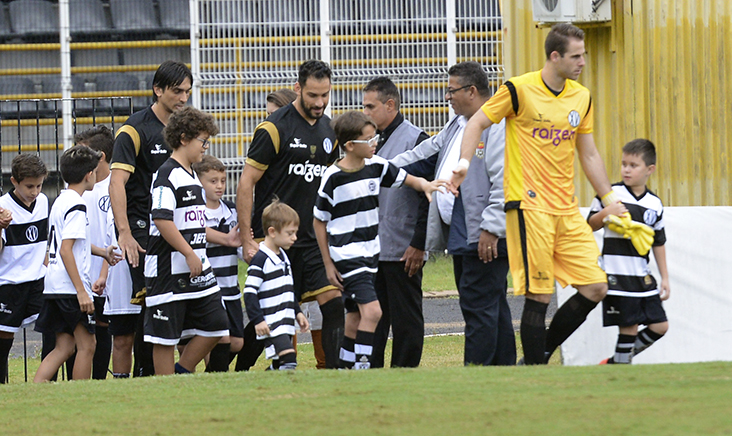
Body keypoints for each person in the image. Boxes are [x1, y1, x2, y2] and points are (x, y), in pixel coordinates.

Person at [451, 23, 617, 364]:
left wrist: (609, 197)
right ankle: (536, 372)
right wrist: (465, 162)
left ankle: (537, 357)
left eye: (583, 55)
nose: (582, 62)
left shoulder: (580, 97)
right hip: (528, 207)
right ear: (554, 56)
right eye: (576, 56)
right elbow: (477, 122)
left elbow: (588, 153)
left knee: (596, 287)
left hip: (567, 210)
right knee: (539, 295)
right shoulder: (519, 89)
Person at [390, 61, 516, 366]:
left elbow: (504, 180)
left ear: (471, 91)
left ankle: (476, 372)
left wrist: (491, 228)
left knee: (478, 306)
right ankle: (503, 369)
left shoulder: (497, 126)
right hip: (463, 230)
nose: (447, 96)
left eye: (451, 90)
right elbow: (423, 154)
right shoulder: (457, 124)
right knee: (491, 304)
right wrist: (376, 168)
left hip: (483, 232)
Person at [313, 111, 445, 369]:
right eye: (369, 139)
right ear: (350, 146)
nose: (375, 143)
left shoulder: (377, 167)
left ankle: (344, 367)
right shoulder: (333, 177)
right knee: (373, 312)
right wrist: (328, 264)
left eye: (375, 138)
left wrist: (426, 186)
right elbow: (319, 221)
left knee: (353, 316)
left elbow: (408, 178)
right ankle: (363, 368)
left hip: (370, 255)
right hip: (348, 257)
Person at [237, 60, 344, 369]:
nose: (320, 103)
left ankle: (336, 375)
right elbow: (246, 183)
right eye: (313, 95)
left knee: (334, 304)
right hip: (274, 242)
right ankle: (239, 369)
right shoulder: (274, 128)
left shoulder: (329, 131)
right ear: (298, 88)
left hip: (310, 240)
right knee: (275, 312)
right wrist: (247, 239)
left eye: (325, 95)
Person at [109, 60, 192, 377]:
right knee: (151, 301)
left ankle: (168, 372)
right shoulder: (134, 129)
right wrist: (125, 233)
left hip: (174, 228)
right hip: (143, 231)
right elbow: (117, 183)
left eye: (187, 91)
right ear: (158, 90)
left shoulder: (185, 128)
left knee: (174, 300)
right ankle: (149, 373)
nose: (183, 98)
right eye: (176, 91)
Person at [143, 106, 228, 376]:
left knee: (217, 325)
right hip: (168, 270)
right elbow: (162, 220)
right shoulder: (165, 175)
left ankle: (182, 371)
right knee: (165, 338)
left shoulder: (192, 174)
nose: (205, 147)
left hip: (196, 268)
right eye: (202, 141)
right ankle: (166, 389)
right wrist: (189, 252)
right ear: (183, 139)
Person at [34, 146, 121, 382]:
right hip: (71, 289)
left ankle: (36, 387)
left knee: (65, 346)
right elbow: (65, 250)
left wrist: (102, 252)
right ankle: (80, 393)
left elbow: (70, 242)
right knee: (88, 345)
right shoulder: (78, 205)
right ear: (88, 175)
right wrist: (82, 292)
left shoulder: (62, 200)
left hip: (54, 286)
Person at [361, 77, 430, 368]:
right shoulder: (369, 141)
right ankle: (373, 374)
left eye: (370, 106)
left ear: (390, 105)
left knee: (406, 322)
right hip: (374, 249)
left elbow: (429, 196)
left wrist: (419, 243)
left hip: (403, 250)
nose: (365, 112)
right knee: (373, 320)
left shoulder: (418, 141)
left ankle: (405, 374)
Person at [587, 139, 669, 364]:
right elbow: (589, 225)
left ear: (649, 169)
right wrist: (606, 213)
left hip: (642, 276)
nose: (627, 169)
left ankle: (616, 362)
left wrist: (665, 277)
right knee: (629, 328)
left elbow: (658, 242)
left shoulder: (655, 204)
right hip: (617, 276)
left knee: (660, 326)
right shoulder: (610, 194)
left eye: (634, 165)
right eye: (624, 164)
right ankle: (620, 371)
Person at [191, 155, 244, 372]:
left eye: (222, 180)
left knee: (237, 342)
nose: (220, 186)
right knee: (217, 337)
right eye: (213, 181)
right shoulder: (195, 212)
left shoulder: (231, 210)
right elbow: (193, 236)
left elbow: (239, 245)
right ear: (198, 182)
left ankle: (212, 373)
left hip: (231, 286)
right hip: (208, 288)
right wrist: (223, 238)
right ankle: (215, 377)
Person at [243, 199, 309, 370]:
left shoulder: (284, 257)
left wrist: (298, 313)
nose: (294, 238)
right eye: (290, 233)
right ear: (272, 232)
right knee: (290, 360)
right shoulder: (261, 259)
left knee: (280, 364)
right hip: (272, 323)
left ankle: (266, 381)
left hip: (285, 322)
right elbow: (249, 292)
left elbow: (288, 290)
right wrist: (258, 320)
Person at [0, 154, 48, 383]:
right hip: (10, 282)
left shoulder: (44, 203)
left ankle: (48, 380)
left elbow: (46, 243)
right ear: (14, 182)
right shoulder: (3, 208)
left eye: (39, 185)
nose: (35, 192)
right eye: (29, 186)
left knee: (53, 328)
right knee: (4, 334)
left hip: (38, 279)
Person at [77, 126, 114, 380]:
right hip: (82, 273)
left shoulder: (118, 185)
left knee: (106, 327)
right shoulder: (78, 188)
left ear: (100, 156)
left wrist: (106, 270)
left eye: (83, 152)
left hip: (110, 273)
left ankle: (100, 380)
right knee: (79, 332)